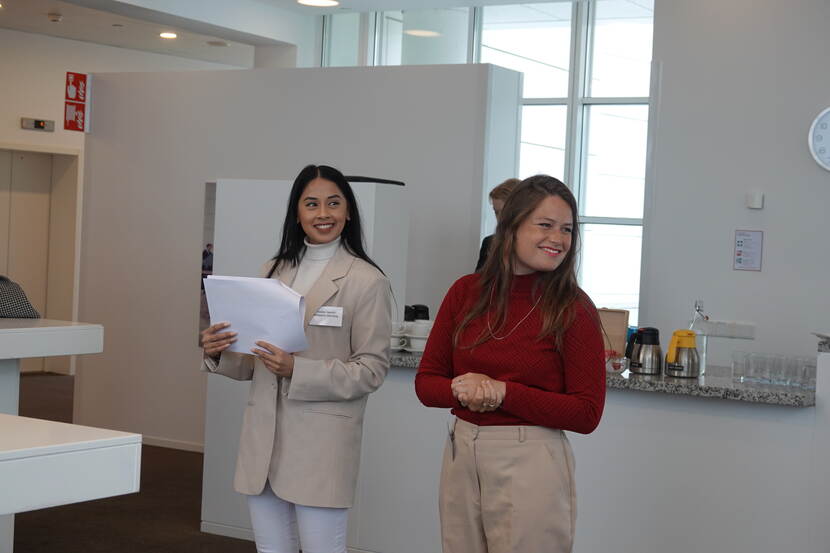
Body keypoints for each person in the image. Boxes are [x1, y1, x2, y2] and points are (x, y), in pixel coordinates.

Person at [200, 164, 392, 553]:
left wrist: (296, 370)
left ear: (349, 211)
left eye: (334, 203)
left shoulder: (367, 281)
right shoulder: (272, 270)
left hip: (321, 444)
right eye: (312, 204)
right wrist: (218, 350)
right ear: (297, 213)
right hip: (264, 439)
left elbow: (371, 370)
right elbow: (253, 357)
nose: (324, 213)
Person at [415, 175, 605, 553]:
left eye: (567, 229)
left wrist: (503, 392)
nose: (558, 238)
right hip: (462, 450)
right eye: (545, 225)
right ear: (511, 226)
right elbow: (426, 383)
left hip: (531, 456)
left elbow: (586, 413)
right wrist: (460, 387)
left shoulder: (573, 307)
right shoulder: (464, 292)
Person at [475, 178, 520, 271]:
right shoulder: (489, 243)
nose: (500, 218)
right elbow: (478, 281)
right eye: (496, 212)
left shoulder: (536, 244)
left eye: (505, 212)